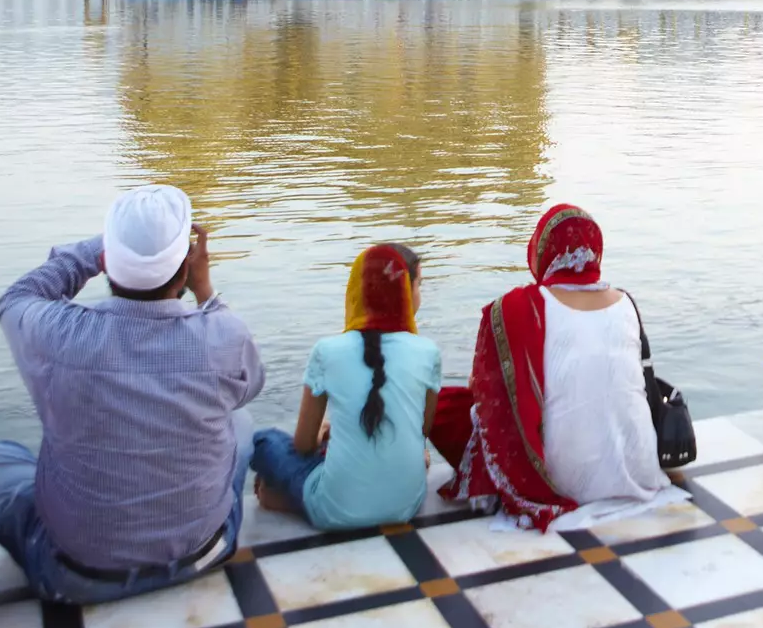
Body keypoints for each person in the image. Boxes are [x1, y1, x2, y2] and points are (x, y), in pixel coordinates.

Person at [0, 186, 264, 605]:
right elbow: (249, 385)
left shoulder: (58, 334)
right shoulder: (223, 334)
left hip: (75, 577)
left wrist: (102, 247)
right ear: (186, 270)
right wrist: (206, 292)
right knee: (240, 421)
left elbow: (17, 298)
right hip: (206, 553)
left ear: (107, 262)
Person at [434, 205, 684, 531]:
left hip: (558, 481)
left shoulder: (518, 306)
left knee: (446, 405)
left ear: (541, 250)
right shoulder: (626, 302)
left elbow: (486, 394)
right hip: (640, 472)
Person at [251, 244, 442, 530]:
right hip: (407, 505)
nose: (419, 296)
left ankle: (289, 500)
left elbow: (302, 445)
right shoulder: (428, 352)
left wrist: (321, 434)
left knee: (262, 442)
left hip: (334, 511)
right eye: (418, 286)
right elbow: (421, 432)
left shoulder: (327, 351)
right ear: (403, 292)